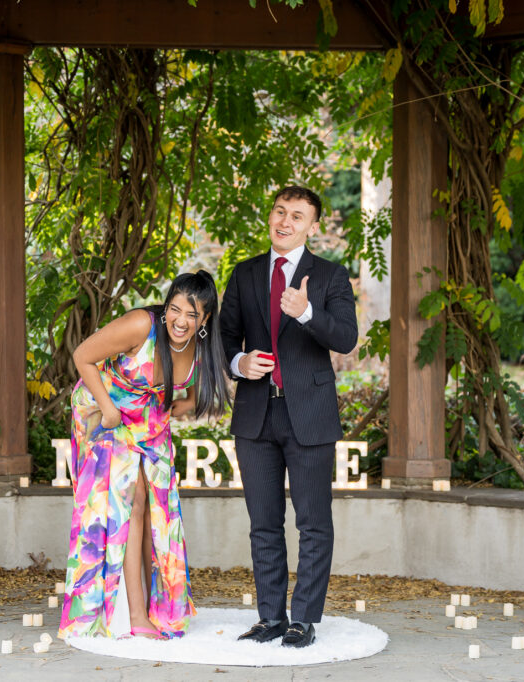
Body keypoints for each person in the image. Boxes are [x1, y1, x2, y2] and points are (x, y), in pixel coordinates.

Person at [219, 185, 358, 648]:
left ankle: (304, 619)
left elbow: (345, 338)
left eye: (297, 216)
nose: (285, 221)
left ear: (311, 226)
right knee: (263, 522)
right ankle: (271, 617)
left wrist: (307, 313)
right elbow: (223, 339)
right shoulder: (244, 274)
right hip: (256, 415)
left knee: (314, 522)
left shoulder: (332, 277)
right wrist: (240, 365)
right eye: (280, 211)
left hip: (310, 415)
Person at [58, 271, 230, 640]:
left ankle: (158, 608)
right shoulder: (141, 325)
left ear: (206, 319)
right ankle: (133, 616)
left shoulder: (202, 349)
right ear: (166, 306)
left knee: (158, 508)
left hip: (147, 420)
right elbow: (83, 356)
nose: (180, 321)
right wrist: (107, 409)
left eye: (192, 314)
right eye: (175, 309)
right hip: (103, 412)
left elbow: (188, 399)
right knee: (130, 501)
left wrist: (167, 410)